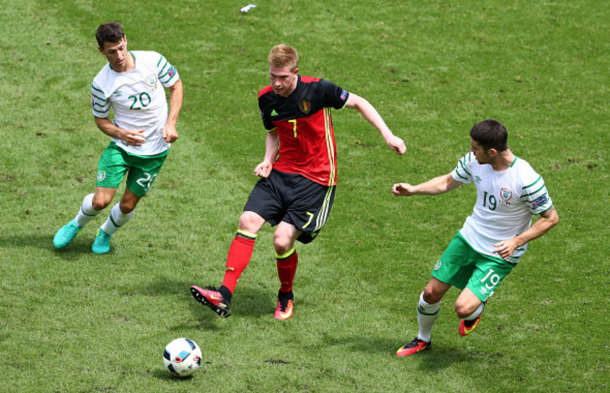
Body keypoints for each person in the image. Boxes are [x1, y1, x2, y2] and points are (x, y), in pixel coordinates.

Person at [191, 44, 406, 319]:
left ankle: (285, 294)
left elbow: (359, 102)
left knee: (282, 241)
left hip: (316, 180)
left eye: (283, 77)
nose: (277, 83)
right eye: (272, 76)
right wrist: (268, 158)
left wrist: (388, 135)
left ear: (296, 72)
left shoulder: (319, 90)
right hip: (280, 172)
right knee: (247, 221)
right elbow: (273, 132)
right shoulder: (266, 98)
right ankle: (224, 294)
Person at [392, 119, 558, 357]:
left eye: (475, 148)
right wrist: (414, 189)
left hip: (499, 254)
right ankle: (422, 339)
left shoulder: (526, 179)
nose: (470, 152)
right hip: (468, 238)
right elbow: (449, 181)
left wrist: (516, 241)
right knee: (431, 293)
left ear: (492, 152)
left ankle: (477, 306)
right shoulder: (475, 161)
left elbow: (551, 218)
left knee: (463, 309)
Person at [53, 22, 183, 254]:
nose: (119, 55)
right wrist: (122, 134)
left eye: (121, 48)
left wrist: (171, 122)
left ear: (126, 40)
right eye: (112, 51)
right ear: (101, 51)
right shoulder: (101, 84)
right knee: (100, 202)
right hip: (121, 149)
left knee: (127, 205)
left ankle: (104, 234)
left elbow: (176, 85)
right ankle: (76, 224)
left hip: (154, 152)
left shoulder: (153, 60)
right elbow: (101, 120)